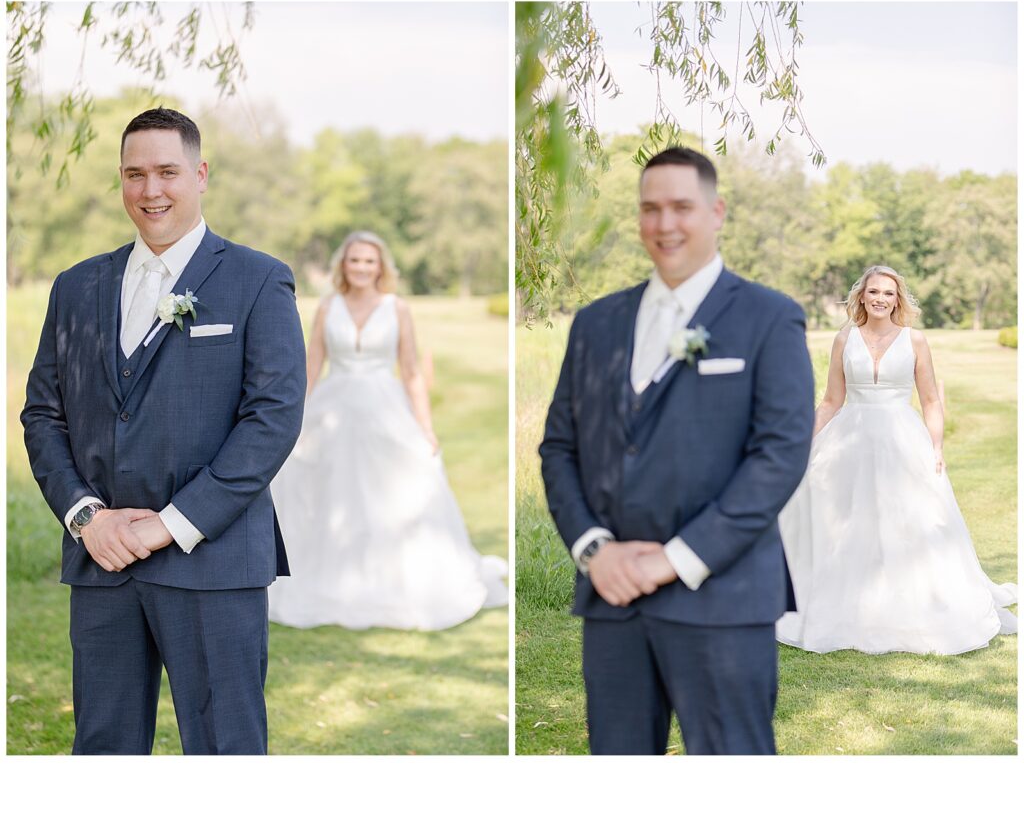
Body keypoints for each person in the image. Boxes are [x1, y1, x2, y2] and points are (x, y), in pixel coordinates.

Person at [20, 108, 306, 754]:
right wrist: (88, 518)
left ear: (200, 175)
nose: (152, 190)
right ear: (120, 180)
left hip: (212, 558)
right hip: (104, 560)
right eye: (135, 174)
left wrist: (170, 523)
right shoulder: (75, 286)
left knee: (222, 748)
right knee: (103, 748)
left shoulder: (257, 279)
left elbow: (272, 418)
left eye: (168, 172)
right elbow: (44, 413)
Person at [539, 147, 815, 755]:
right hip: (612, 598)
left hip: (721, 597)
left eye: (681, 207)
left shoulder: (769, 319)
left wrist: (674, 559)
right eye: (650, 209)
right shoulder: (596, 324)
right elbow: (559, 447)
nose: (665, 224)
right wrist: (594, 550)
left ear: (716, 212)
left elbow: (781, 455)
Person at [268, 231, 508, 631]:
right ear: (343, 264)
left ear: (381, 267)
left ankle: (393, 581)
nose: (362, 268)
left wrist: (426, 427)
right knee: (329, 490)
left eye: (369, 261)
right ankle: (331, 577)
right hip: (333, 409)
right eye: (355, 260)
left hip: (385, 407)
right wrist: (295, 417)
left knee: (396, 491)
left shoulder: (397, 308)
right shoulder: (329, 307)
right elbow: (312, 365)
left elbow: (411, 370)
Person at [776, 266, 1018, 654]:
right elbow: (831, 400)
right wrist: (804, 440)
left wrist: (936, 447)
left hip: (901, 438)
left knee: (909, 519)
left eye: (888, 293)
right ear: (862, 296)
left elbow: (931, 400)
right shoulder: (844, 338)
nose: (880, 299)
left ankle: (910, 603)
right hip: (849, 439)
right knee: (842, 519)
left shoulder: (915, 340)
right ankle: (844, 599)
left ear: (898, 299)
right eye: (874, 291)